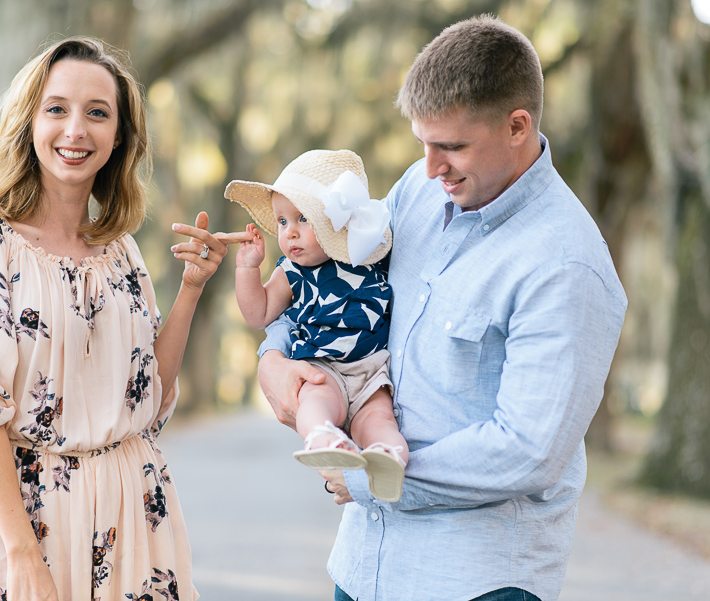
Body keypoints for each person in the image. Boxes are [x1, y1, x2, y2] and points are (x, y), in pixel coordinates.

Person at [257, 15, 628, 601]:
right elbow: (325, 277)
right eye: (423, 144)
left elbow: (528, 450)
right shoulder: (419, 190)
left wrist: (376, 476)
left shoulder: (566, 264)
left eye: (452, 146)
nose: (431, 167)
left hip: (475, 580)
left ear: (517, 125)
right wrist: (273, 358)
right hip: (361, 568)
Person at [0, 37, 247, 601]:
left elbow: (148, 393)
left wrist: (192, 290)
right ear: (29, 121)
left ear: (119, 136)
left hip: (132, 521)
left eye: (97, 113)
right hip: (25, 524)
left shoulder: (118, 249)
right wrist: (23, 554)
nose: (76, 130)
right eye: (57, 109)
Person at [225, 149, 408, 502]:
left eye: (302, 219)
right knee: (313, 406)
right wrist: (247, 269)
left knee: (379, 421)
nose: (289, 233)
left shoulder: (370, 254)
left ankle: (389, 460)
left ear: (336, 223)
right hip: (322, 370)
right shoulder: (292, 272)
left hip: (372, 372)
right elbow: (258, 313)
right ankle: (327, 440)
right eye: (282, 222)